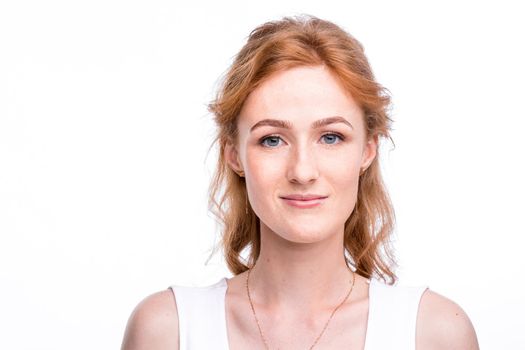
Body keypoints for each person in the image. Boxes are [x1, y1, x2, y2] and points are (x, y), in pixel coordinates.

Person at [121, 15, 479, 350]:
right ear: (234, 154)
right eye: (272, 139)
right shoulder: (167, 330)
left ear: (368, 150)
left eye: (331, 137)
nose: (303, 171)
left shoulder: (432, 332)